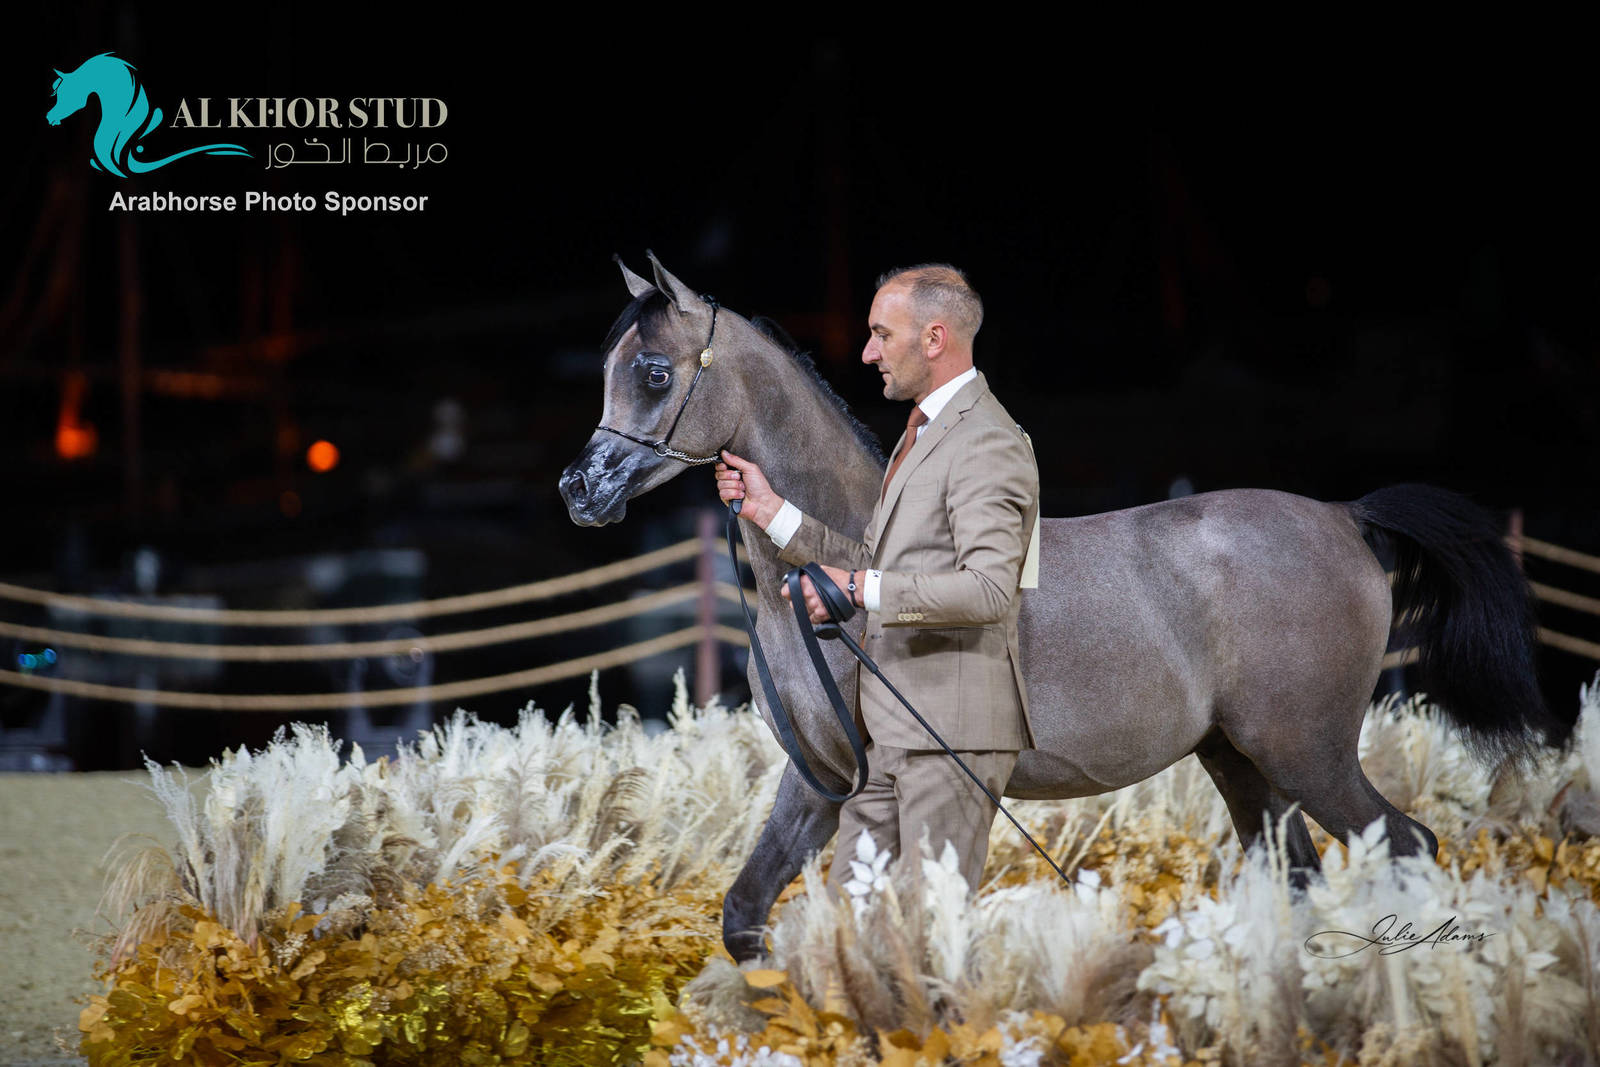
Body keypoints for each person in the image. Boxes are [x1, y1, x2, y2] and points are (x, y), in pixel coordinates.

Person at [715, 263, 1040, 894]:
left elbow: (991, 592)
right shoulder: (921, 435)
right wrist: (771, 512)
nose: (867, 352)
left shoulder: (988, 443)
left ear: (934, 339)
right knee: (848, 926)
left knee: (918, 943)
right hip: (890, 736)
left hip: (952, 733)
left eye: (881, 335)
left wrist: (862, 591)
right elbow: (874, 558)